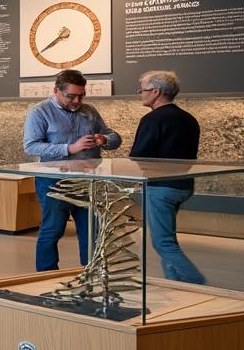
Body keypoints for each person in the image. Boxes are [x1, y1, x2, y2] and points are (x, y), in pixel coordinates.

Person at [23, 69, 122, 271]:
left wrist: (104, 140)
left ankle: (91, 274)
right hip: (53, 181)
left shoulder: (90, 111)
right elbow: (31, 146)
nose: (77, 101)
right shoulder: (39, 112)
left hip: (87, 180)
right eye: (71, 96)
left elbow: (114, 138)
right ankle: (46, 277)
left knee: (91, 231)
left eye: (81, 96)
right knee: (52, 230)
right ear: (56, 91)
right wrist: (70, 148)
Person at [130, 70, 205, 284]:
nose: (141, 94)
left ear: (156, 92)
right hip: (183, 185)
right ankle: (174, 283)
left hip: (160, 187)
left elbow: (139, 155)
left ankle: (196, 282)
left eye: (143, 90)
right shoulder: (188, 119)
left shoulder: (152, 119)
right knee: (168, 239)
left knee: (162, 243)